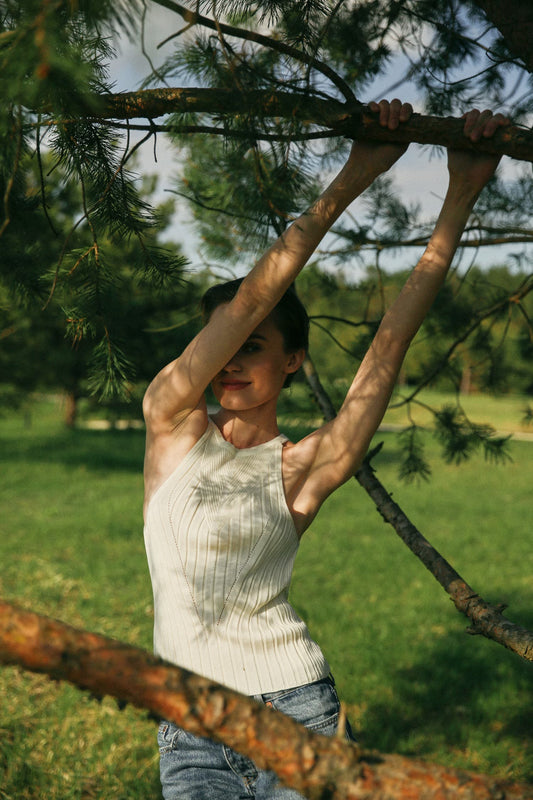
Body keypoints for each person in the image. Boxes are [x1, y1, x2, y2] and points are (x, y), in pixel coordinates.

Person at [142, 99, 508, 800]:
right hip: (189, 725)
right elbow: (249, 302)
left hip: (299, 712)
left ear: (291, 362)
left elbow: (389, 345)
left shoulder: (302, 466)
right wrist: (359, 170)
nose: (230, 363)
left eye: (253, 348)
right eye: (219, 346)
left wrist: (461, 189)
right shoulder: (170, 425)